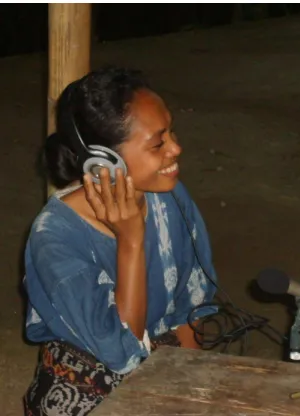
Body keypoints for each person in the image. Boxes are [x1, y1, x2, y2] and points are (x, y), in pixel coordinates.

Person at [23, 67, 217, 415]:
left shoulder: (169, 197)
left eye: (171, 131)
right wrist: (131, 241)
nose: (176, 147)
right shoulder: (55, 235)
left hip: (162, 369)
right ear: (103, 161)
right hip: (87, 389)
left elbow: (190, 304)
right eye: (158, 143)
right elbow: (121, 351)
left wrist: (194, 392)